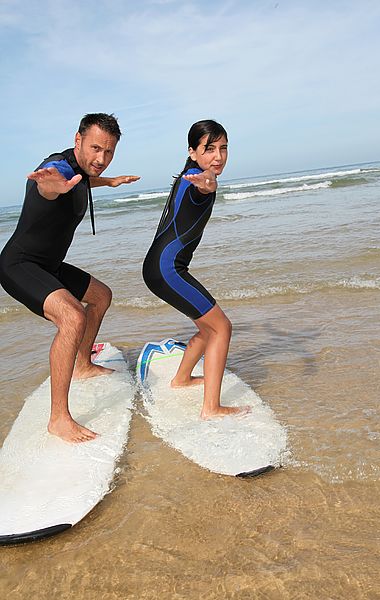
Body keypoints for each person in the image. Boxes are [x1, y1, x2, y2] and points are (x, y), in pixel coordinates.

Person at [0, 113, 140, 443]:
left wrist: (111, 181)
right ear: (77, 141)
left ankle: (82, 364)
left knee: (101, 296)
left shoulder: (81, 171)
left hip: (49, 264)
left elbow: (83, 177)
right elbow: (53, 182)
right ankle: (59, 419)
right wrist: (48, 185)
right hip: (20, 264)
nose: (101, 159)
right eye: (95, 148)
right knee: (72, 316)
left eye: (109, 152)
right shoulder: (57, 169)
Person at [142, 119, 250, 419]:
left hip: (160, 268)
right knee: (222, 327)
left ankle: (182, 379)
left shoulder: (191, 176)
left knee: (207, 327)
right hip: (167, 270)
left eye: (223, 148)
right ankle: (211, 408)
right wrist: (208, 185)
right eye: (209, 149)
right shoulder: (196, 179)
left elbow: (203, 185)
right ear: (193, 152)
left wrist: (208, 183)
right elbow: (203, 188)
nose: (218, 156)